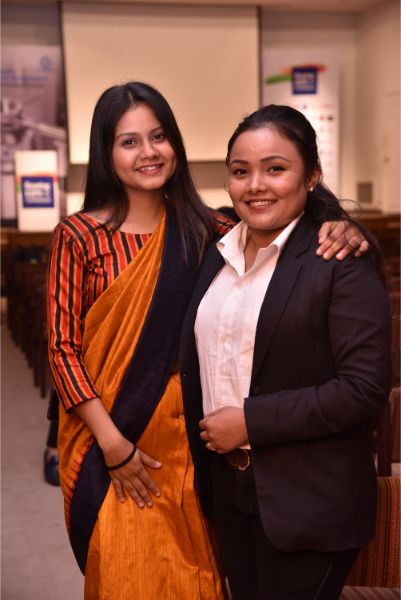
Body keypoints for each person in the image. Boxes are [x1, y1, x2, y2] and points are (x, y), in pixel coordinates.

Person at [47, 83, 369, 600]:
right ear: (105, 153)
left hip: (199, 445)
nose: (148, 152)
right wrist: (113, 446)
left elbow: (290, 225)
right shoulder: (80, 236)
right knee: (126, 573)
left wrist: (343, 225)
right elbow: (62, 350)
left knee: (196, 577)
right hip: (116, 435)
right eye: (129, 141)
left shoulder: (213, 230)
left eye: (158, 136)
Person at [179, 104, 392, 600]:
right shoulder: (217, 253)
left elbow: (364, 390)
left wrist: (251, 423)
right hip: (228, 488)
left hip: (308, 498)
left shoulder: (339, 257)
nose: (255, 185)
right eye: (240, 171)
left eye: (275, 168)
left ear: (311, 175)